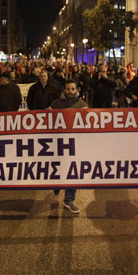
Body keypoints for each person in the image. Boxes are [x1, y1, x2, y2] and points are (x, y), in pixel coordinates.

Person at [49, 79, 88, 214]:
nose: (70, 91)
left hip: (74, 144)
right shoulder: (56, 104)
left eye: (72, 89)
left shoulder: (82, 104)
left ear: (76, 90)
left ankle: (69, 200)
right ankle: (57, 184)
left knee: (72, 170)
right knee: (58, 168)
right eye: (68, 89)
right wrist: (47, 112)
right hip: (58, 143)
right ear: (64, 90)